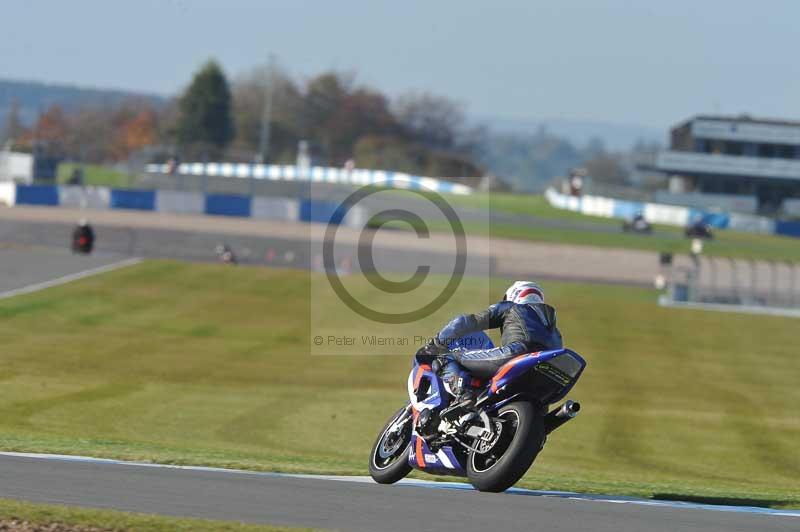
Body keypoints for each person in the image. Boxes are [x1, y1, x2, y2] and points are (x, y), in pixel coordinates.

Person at [415, 281, 563, 408]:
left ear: (515, 295)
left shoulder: (511, 307)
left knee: (447, 356)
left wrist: (437, 342)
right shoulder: (554, 330)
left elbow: (465, 322)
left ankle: (463, 395)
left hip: (517, 353)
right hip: (548, 370)